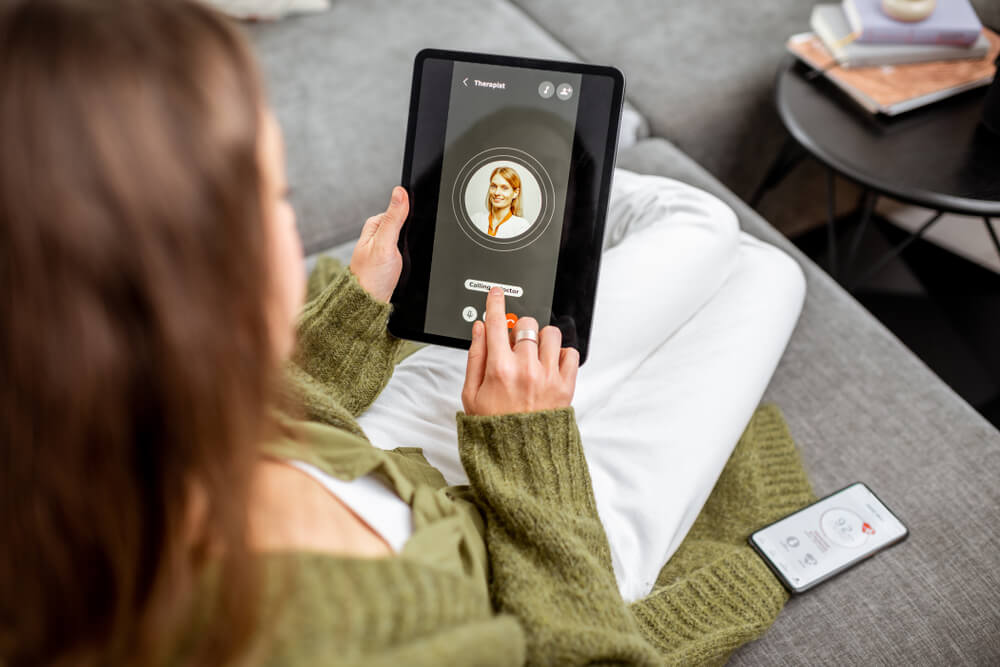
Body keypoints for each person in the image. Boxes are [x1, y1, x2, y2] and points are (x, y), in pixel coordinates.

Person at [0, 1, 815, 666]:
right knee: (758, 267)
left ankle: (564, 184)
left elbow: (289, 423)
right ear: (202, 287)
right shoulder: (327, 637)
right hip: (547, 528)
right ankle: (576, 179)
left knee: (722, 246)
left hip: (387, 439)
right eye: (276, 200)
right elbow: (578, 648)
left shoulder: (100, 437)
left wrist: (356, 308)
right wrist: (528, 443)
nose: (293, 232)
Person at [471, 165, 533, 238]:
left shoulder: (521, 227)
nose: (497, 193)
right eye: (494, 186)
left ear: (515, 193)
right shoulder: (475, 220)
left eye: (504, 188)